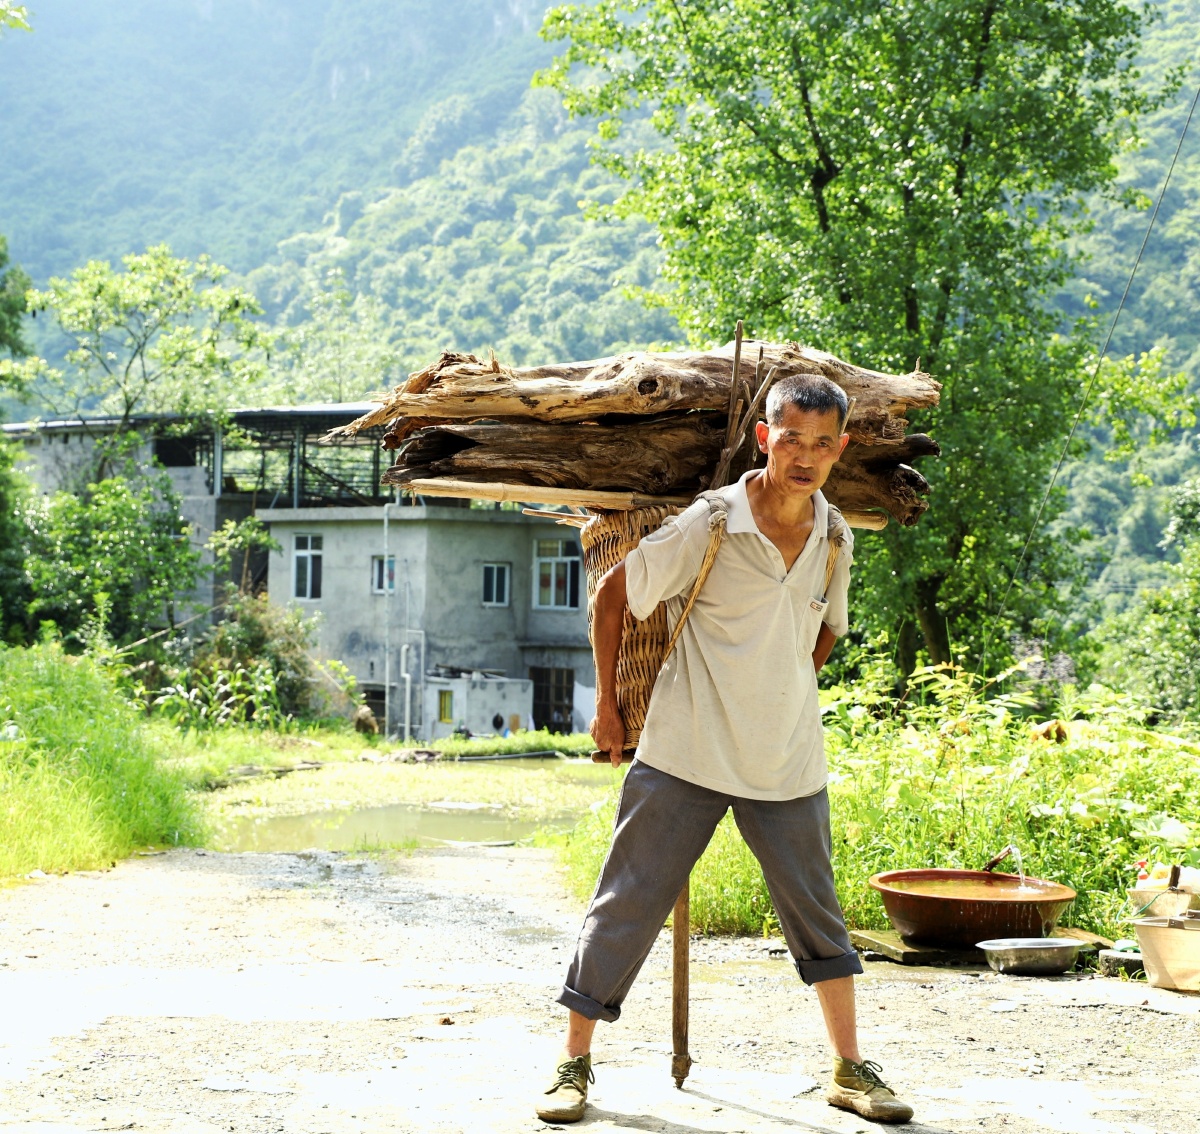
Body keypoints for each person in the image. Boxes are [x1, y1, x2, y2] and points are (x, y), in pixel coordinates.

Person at [536, 374, 914, 1125]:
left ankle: (849, 1068)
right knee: (626, 903)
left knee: (819, 914)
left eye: (821, 443)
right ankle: (572, 1064)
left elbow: (826, 629)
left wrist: (782, 685)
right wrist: (607, 707)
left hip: (787, 761)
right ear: (765, 438)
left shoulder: (836, 536)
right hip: (685, 751)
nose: (805, 456)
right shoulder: (712, 522)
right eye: (791, 438)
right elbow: (614, 593)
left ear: (840, 448)